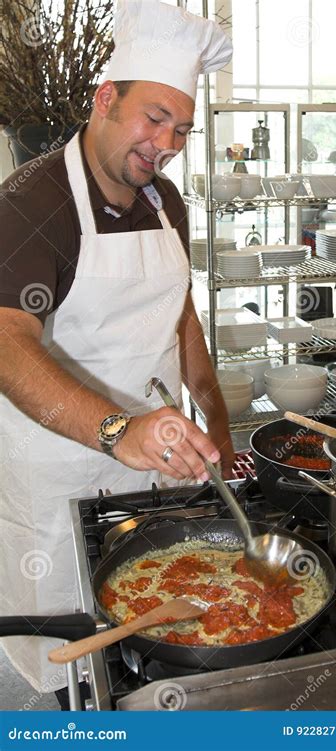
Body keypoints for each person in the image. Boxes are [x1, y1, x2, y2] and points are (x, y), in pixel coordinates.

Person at [0, 0, 233, 705]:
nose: (165, 142)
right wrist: (116, 430)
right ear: (106, 97)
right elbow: (7, 342)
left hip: (151, 469)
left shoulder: (165, 200)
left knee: (147, 644)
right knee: (65, 668)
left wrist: (217, 415)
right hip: (59, 474)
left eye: (182, 129)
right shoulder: (31, 200)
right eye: (153, 118)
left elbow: (180, 313)